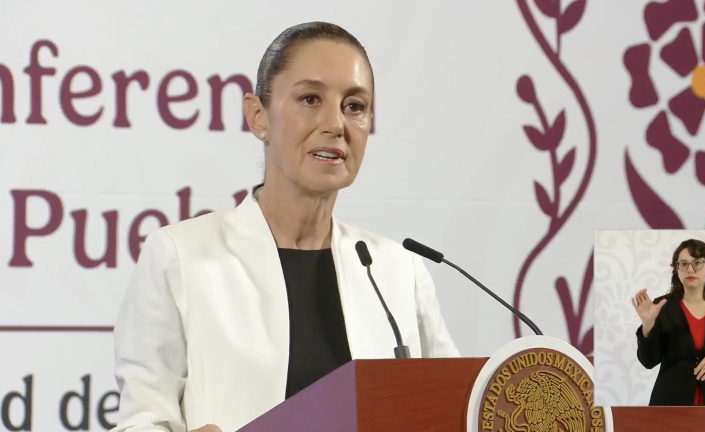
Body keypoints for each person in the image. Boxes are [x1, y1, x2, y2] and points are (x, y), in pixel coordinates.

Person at [110, 21, 459, 432]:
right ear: (258, 116)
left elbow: (457, 407)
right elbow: (142, 421)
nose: (336, 124)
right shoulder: (180, 256)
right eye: (310, 99)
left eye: (354, 106)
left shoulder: (397, 270)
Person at [631, 238, 705, 406]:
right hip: (670, 402)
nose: (690, 269)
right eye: (683, 264)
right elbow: (648, 362)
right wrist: (647, 326)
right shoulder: (662, 306)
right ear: (676, 270)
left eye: (697, 263)